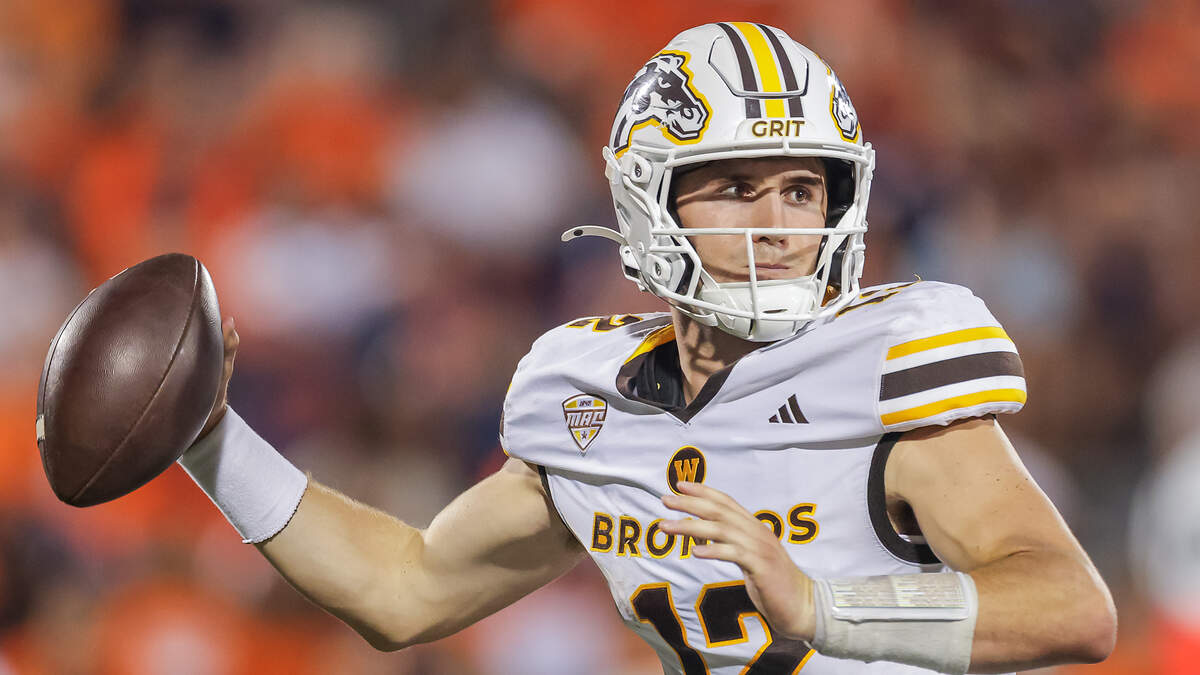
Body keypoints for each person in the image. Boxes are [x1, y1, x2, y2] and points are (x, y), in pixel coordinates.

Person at [177, 23, 1116, 674]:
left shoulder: (885, 368)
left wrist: (822, 607)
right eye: (737, 186)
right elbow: (403, 590)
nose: (780, 222)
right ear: (648, 206)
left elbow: (1073, 607)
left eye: (802, 188)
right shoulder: (588, 399)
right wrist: (211, 440)